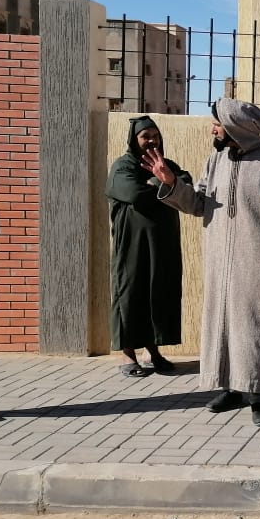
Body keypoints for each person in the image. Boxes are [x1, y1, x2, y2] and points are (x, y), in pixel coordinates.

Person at [142, 98, 260, 427]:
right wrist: (171, 183)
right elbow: (198, 204)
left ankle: (259, 396)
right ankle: (231, 389)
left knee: (257, 327)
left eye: (217, 124)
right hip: (221, 261)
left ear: (235, 127)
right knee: (224, 325)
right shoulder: (215, 159)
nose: (213, 129)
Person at [106, 116, 190, 377]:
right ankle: (127, 355)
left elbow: (186, 184)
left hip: (162, 245)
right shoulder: (123, 166)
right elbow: (134, 193)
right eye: (145, 136)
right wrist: (164, 186)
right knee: (131, 293)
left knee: (158, 293)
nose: (152, 140)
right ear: (134, 140)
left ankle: (153, 352)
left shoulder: (167, 165)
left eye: (155, 135)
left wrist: (163, 181)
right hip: (132, 245)